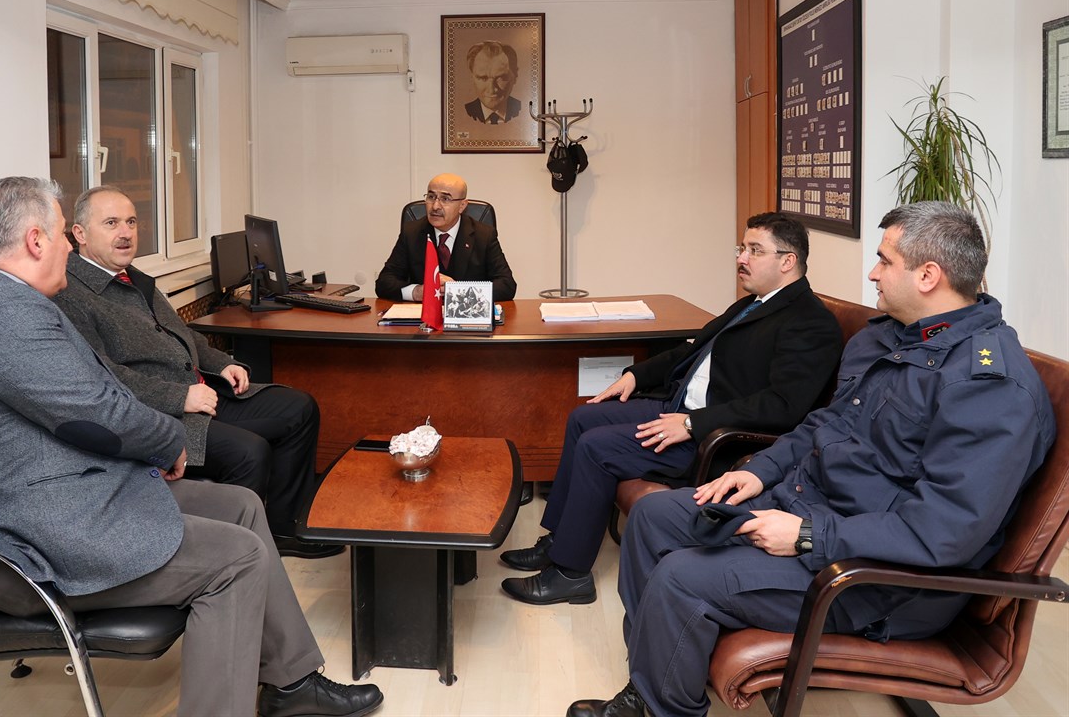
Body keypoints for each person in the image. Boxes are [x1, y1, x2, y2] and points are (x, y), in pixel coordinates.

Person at [0, 176, 383, 717]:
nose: (68, 246)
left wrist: (156, 443)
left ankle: (290, 683)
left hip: (76, 503)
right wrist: (169, 442)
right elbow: (97, 413)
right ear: (36, 240)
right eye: (63, 234)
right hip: (31, 551)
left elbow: (99, 394)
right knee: (238, 559)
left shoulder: (8, 301)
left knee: (241, 506)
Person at [569, 201, 1056, 717]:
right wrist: (759, 471)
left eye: (885, 260)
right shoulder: (888, 338)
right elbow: (827, 423)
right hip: (808, 507)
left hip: (875, 576)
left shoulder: (989, 388)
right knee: (653, 517)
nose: (872, 273)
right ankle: (652, 684)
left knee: (680, 577)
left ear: (928, 275)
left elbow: (943, 532)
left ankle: (663, 709)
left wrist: (806, 536)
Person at [500, 213, 842, 606]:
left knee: (597, 447)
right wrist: (636, 375)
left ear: (788, 261)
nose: (741, 258)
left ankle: (569, 574)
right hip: (680, 406)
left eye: (754, 250)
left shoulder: (811, 323)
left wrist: (694, 423)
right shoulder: (753, 304)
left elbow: (783, 407)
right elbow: (689, 351)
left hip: (715, 436)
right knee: (583, 418)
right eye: (742, 248)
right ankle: (560, 540)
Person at [53, 186, 338, 559]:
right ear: (79, 233)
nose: (125, 233)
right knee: (248, 453)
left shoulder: (132, 276)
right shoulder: (70, 294)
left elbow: (182, 335)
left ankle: (283, 529)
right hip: (163, 413)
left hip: (204, 392)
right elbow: (105, 376)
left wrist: (223, 363)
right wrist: (180, 397)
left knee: (298, 408)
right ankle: (235, 558)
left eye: (131, 222)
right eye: (111, 223)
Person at [375, 173, 517, 302]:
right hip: (424, 317)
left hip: (466, 317)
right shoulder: (412, 232)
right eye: (431, 197)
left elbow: (507, 285)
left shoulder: (483, 235)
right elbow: (384, 283)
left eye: (445, 199)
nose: (435, 206)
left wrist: (459, 291)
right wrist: (416, 292)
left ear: (462, 206)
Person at [463, 40, 522, 124]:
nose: (492, 89)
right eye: (483, 78)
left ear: (515, 76)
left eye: (500, 78)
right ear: (472, 77)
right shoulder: (461, 114)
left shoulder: (526, 111)